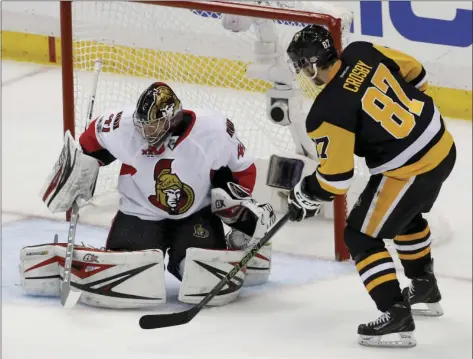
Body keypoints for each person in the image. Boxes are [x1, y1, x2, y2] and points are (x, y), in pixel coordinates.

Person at [20, 82, 275, 309]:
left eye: (154, 126)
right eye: (144, 125)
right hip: (139, 213)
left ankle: (238, 249)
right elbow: (90, 139)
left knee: (203, 279)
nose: (147, 133)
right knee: (130, 273)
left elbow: (244, 169)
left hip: (195, 214)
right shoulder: (122, 125)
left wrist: (237, 209)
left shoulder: (214, 130)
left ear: (173, 118)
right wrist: (81, 168)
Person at [285, 25, 456, 348]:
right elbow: (416, 74)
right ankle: (424, 288)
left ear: (310, 64)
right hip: (443, 144)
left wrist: (306, 191)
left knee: (359, 235)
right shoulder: (362, 51)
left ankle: (395, 315)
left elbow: (335, 179)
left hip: (412, 168)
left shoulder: (326, 112)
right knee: (404, 213)